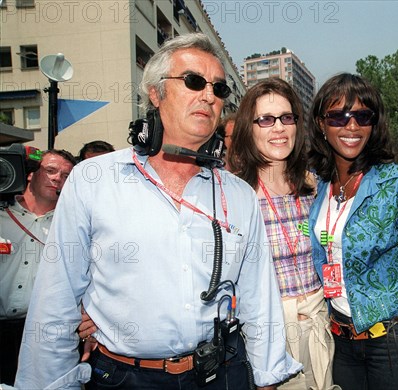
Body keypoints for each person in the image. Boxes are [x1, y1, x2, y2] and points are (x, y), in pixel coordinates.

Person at [15, 33, 301, 390]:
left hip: (222, 374)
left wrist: (268, 377)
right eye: (193, 81)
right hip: (123, 378)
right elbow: (54, 302)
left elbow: (260, 301)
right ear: (155, 91)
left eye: (219, 88)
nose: (208, 96)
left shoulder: (239, 195)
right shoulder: (93, 179)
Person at [306, 73, 398, 390]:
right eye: (338, 116)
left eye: (362, 116)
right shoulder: (319, 186)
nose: (351, 126)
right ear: (321, 124)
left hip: (393, 341)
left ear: (374, 123)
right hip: (339, 342)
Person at [228, 77, 335, 389]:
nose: (279, 128)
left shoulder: (315, 187)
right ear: (250, 128)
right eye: (266, 119)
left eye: (287, 118)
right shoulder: (234, 195)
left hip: (320, 327)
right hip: (268, 337)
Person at [0, 149, 76, 386]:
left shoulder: (70, 226)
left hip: (39, 335)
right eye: (51, 171)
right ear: (30, 174)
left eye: (65, 176)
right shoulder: (2, 217)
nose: (57, 179)